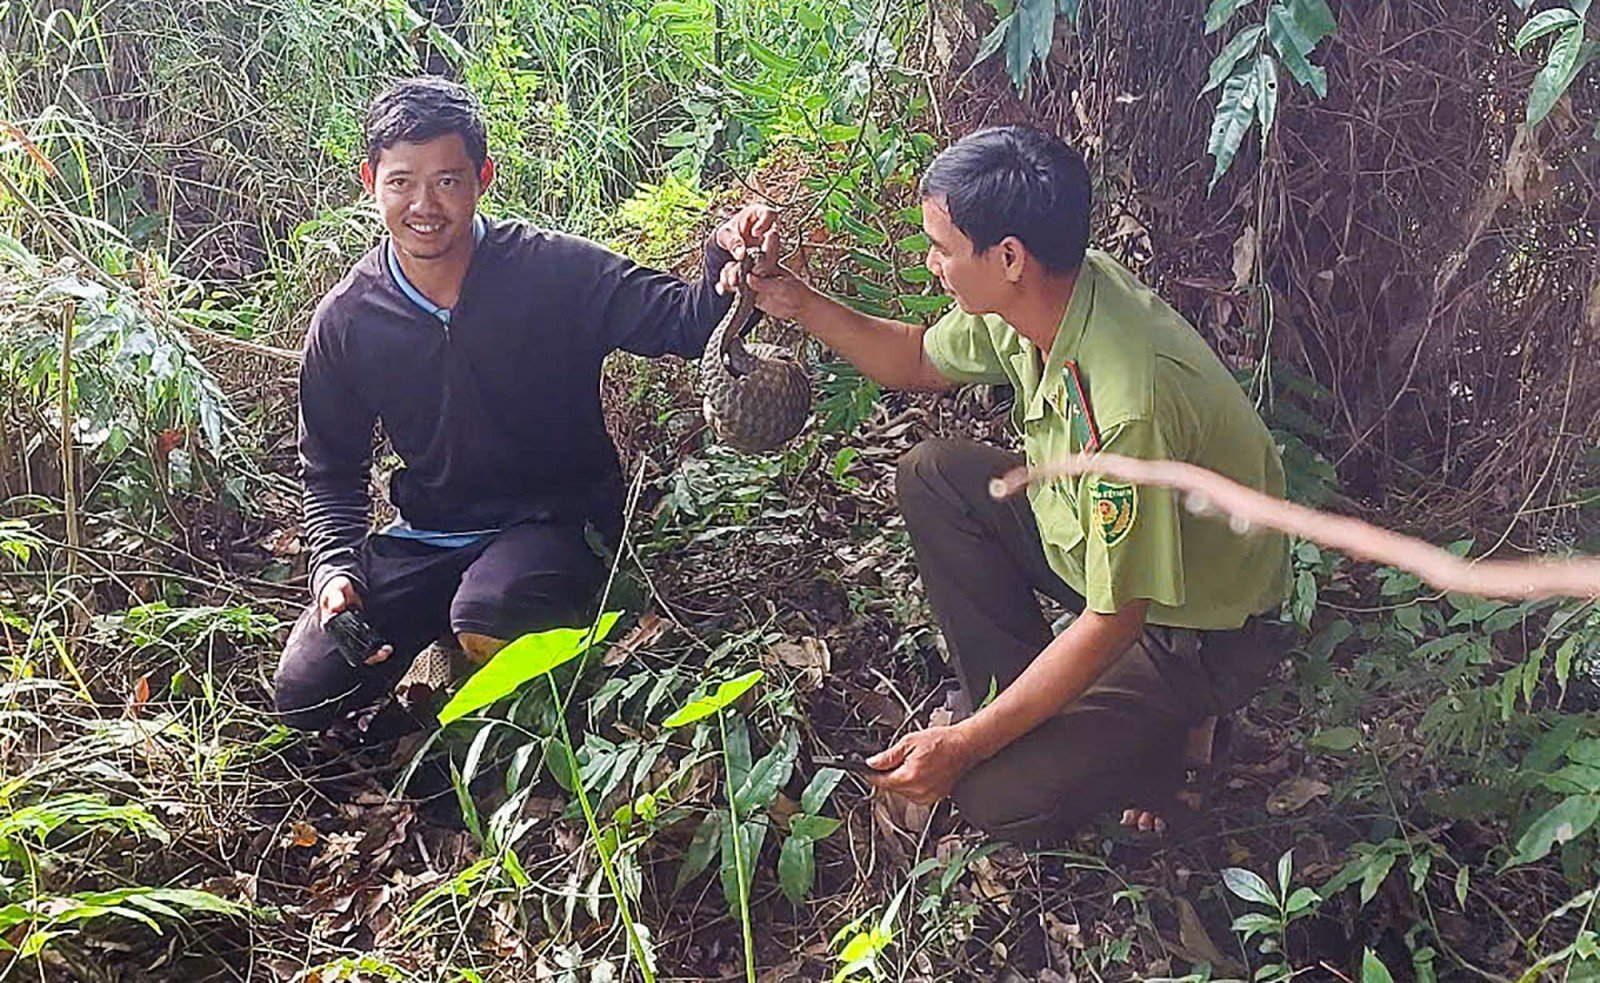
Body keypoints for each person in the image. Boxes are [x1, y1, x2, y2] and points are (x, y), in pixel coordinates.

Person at [728, 125, 1291, 843]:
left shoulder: (1128, 405)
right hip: (1096, 552)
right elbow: (918, 363)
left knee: (993, 795)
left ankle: (1169, 743)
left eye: (942, 246)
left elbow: (1118, 616)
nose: (933, 264)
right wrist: (796, 302)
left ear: (1009, 257)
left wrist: (966, 746)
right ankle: (1038, 712)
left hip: (1193, 624)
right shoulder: (1041, 300)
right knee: (935, 476)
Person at [274, 76, 773, 732]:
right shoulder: (348, 319)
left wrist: (724, 258)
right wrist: (335, 573)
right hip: (433, 535)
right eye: (402, 182)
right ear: (371, 182)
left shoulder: (553, 271)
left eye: (447, 180)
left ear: (483, 176)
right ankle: (445, 648)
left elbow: (682, 321)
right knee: (304, 688)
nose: (424, 204)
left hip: (556, 521)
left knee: (493, 609)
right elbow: (329, 472)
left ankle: (484, 693)